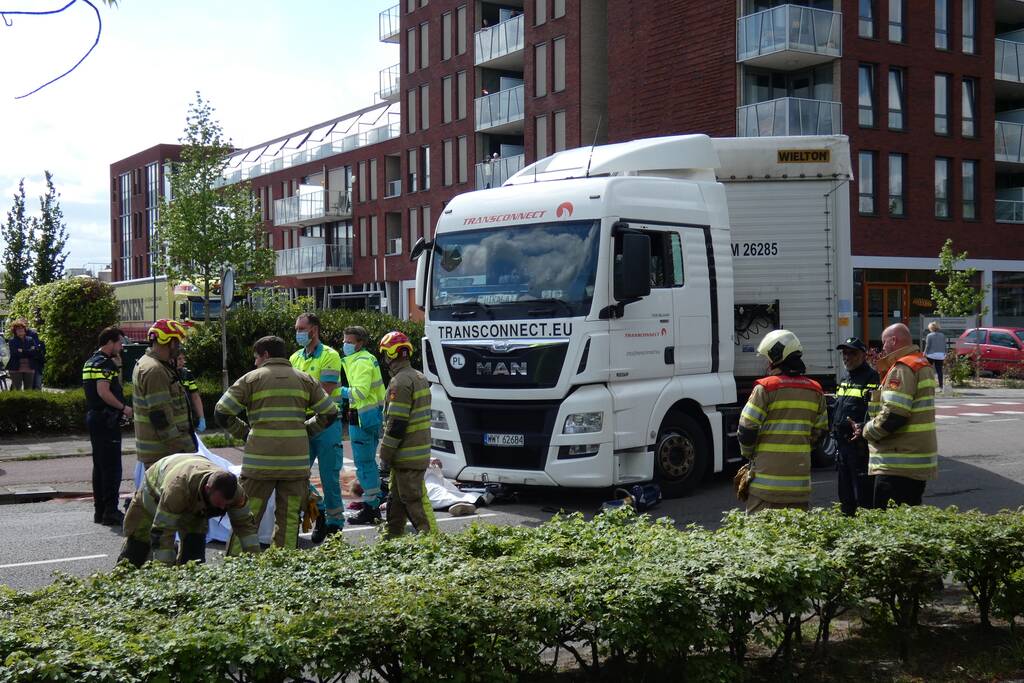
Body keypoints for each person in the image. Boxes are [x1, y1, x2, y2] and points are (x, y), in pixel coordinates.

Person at [216, 335, 340, 551]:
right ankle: (283, 565)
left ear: (265, 355)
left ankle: (237, 566)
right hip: (295, 463)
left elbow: (221, 411)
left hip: (259, 463)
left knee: (248, 515)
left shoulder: (251, 380)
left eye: (256, 357)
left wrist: (245, 432)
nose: (255, 362)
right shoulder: (306, 380)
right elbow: (329, 412)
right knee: (290, 519)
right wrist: (306, 430)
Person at [737, 329, 829, 513]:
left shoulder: (766, 388)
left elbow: (746, 429)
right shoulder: (816, 390)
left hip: (765, 487)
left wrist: (749, 455)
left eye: (768, 358)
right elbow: (820, 433)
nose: (767, 363)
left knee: (760, 537)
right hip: (799, 486)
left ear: (776, 356)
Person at [118, 453, 260, 567]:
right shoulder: (177, 489)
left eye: (226, 505)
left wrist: (254, 562)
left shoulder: (236, 493)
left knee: (194, 555)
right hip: (155, 491)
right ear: (207, 489)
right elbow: (162, 531)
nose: (223, 508)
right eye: (218, 503)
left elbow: (246, 527)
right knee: (138, 546)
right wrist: (163, 574)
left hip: (194, 500)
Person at [851, 323, 938, 508]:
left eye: (884, 343)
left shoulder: (902, 367)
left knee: (889, 524)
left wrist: (866, 430)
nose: (882, 348)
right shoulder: (921, 363)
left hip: (897, 464)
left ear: (893, 340)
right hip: (913, 461)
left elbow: (894, 415)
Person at [289, 313, 346, 542]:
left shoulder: (330, 356)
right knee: (297, 475)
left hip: (326, 423)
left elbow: (326, 390)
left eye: (302, 328)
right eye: (296, 329)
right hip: (302, 424)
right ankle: (320, 510)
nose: (298, 333)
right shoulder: (294, 358)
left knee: (329, 477)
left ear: (314, 330)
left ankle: (335, 524)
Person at [378, 330, 437, 537]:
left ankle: (432, 542)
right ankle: (392, 538)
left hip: (406, 455)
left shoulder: (399, 382)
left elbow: (396, 424)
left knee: (413, 502)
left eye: (385, 353)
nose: (385, 359)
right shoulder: (419, 377)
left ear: (392, 354)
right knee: (396, 500)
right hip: (417, 452)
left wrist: (384, 456)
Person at [83, 327, 133, 526]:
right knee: (112, 468)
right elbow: (103, 392)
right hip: (106, 419)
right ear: (110, 342)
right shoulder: (105, 364)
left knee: (100, 467)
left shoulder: (90, 362)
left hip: (95, 418)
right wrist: (124, 408)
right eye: (119, 343)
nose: (121, 347)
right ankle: (111, 512)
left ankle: (100, 511)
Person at [132, 319, 197, 470]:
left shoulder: (153, 364)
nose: (179, 347)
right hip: (165, 455)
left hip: (164, 454)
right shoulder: (155, 370)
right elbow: (161, 418)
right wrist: (181, 452)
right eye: (177, 342)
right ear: (169, 342)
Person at [339, 325, 387, 525]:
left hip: (362, 420)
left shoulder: (360, 362)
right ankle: (372, 504)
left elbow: (359, 392)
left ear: (360, 343)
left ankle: (371, 507)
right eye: (344, 341)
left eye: (349, 342)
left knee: (365, 466)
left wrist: (336, 390)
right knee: (367, 465)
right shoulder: (365, 359)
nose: (345, 345)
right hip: (368, 418)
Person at [831, 337, 879, 515]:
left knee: (863, 494)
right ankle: (847, 523)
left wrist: (863, 426)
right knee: (845, 493)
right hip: (842, 444)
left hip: (859, 445)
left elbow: (874, 409)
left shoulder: (871, 376)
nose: (847, 357)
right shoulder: (845, 377)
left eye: (852, 353)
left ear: (863, 356)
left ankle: (865, 527)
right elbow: (839, 406)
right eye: (845, 353)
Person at [176, 350, 206, 433]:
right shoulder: (167, 374)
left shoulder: (187, 374)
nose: (182, 362)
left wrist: (201, 417)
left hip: (187, 419)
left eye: (183, 358)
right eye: (179, 359)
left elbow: (195, 396)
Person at [6, 319, 40, 390]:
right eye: (18, 329)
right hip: (15, 367)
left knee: (28, 389)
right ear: (15, 331)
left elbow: (34, 352)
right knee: (17, 389)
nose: (20, 330)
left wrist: (22, 351)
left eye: (22, 328)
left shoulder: (30, 339)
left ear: (25, 330)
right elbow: (15, 354)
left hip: (29, 367)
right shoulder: (12, 341)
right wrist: (28, 351)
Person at [924, 321, 947, 391]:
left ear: (931, 328)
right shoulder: (942, 335)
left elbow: (928, 346)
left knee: (929, 370)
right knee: (939, 371)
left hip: (931, 354)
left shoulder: (929, 335)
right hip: (940, 355)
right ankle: (940, 386)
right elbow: (944, 345)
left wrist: (924, 353)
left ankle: (930, 386)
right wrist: (945, 353)